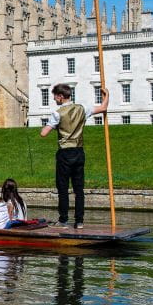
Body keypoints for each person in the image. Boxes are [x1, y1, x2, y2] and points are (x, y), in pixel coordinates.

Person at [40, 83, 109, 229]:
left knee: (63, 188)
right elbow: (103, 108)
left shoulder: (57, 113)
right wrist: (106, 95)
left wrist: (53, 126)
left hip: (65, 153)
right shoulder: (82, 109)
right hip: (79, 152)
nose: (54, 99)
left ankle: (63, 220)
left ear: (60, 96)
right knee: (79, 189)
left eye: (55, 96)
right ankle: (79, 221)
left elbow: (43, 133)